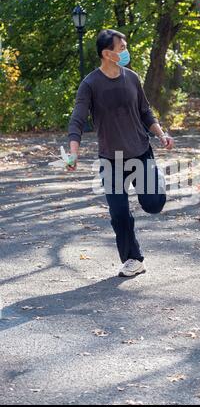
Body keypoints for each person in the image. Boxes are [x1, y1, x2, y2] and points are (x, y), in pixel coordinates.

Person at [67, 28, 174, 277]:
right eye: (121, 48)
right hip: (110, 159)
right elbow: (77, 121)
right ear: (107, 53)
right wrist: (73, 153)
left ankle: (155, 181)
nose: (126, 51)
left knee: (153, 205)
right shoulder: (90, 84)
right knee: (119, 213)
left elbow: (145, 111)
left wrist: (161, 135)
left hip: (140, 151)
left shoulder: (132, 78)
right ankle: (133, 259)